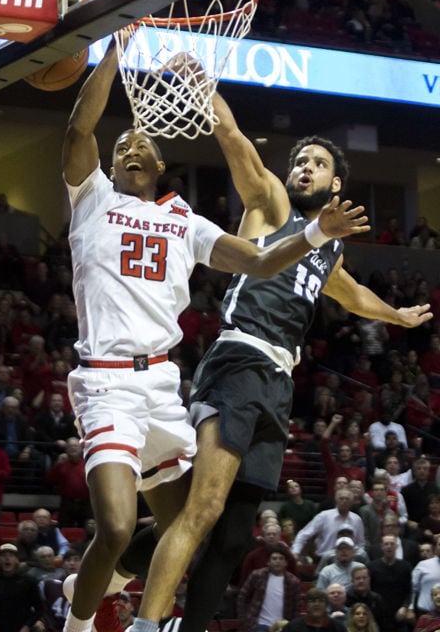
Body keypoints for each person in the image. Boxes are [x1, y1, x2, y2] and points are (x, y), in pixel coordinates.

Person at [60, 33, 371, 632]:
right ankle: (79, 623)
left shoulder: (185, 220)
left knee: (195, 523)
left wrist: (315, 236)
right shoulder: (91, 197)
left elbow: (257, 261)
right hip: (105, 384)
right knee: (121, 524)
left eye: (140, 144)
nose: (129, 148)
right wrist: (115, 52)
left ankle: (107, 578)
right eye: (120, 144)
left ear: (160, 165)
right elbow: (79, 132)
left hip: (160, 386)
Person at [121, 82, 431, 632]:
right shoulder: (271, 203)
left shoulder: (328, 246)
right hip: (239, 360)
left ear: (337, 183)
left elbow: (350, 293)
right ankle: (143, 620)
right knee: (206, 507)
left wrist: (397, 317)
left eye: (316, 162)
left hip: (277, 382)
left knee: (235, 533)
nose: (303, 168)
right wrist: (205, 90)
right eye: (299, 161)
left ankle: (121, 570)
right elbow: (234, 139)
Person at [237, 546, 301, 632]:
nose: (277, 561)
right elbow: (242, 596)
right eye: (274, 558)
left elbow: (296, 608)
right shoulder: (257, 575)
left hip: (282, 626)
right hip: (258, 625)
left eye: (281, 559)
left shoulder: (293, 582)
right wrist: (244, 619)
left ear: (286, 562)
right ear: (268, 562)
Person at [0, 542, 44, 632]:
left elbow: (39, 609)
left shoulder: (29, 581)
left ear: (17, 560)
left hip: (22, 628)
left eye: (11, 555)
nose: (7, 558)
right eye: (3, 555)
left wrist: (27, 626)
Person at [291, 488, 365, 560]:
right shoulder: (324, 516)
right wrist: (295, 552)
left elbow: (360, 543)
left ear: (352, 502)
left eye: (347, 499)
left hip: (348, 560)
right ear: (336, 500)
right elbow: (303, 534)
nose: (344, 501)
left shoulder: (356, 519)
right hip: (324, 559)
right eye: (341, 498)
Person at [368, 533, 412, 632]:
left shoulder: (405, 566)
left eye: (392, 544)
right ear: (381, 547)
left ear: (396, 546)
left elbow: (409, 591)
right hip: (378, 616)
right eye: (386, 544)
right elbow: (369, 591)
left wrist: (404, 607)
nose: (389, 547)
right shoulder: (372, 567)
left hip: (399, 615)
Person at [46, 437, 91, 527]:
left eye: (75, 446)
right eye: (70, 446)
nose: (73, 448)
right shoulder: (61, 465)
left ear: (81, 449)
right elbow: (49, 480)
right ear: (66, 449)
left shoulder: (88, 464)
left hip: (86, 504)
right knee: (64, 529)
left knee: (87, 530)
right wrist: (57, 464)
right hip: (67, 503)